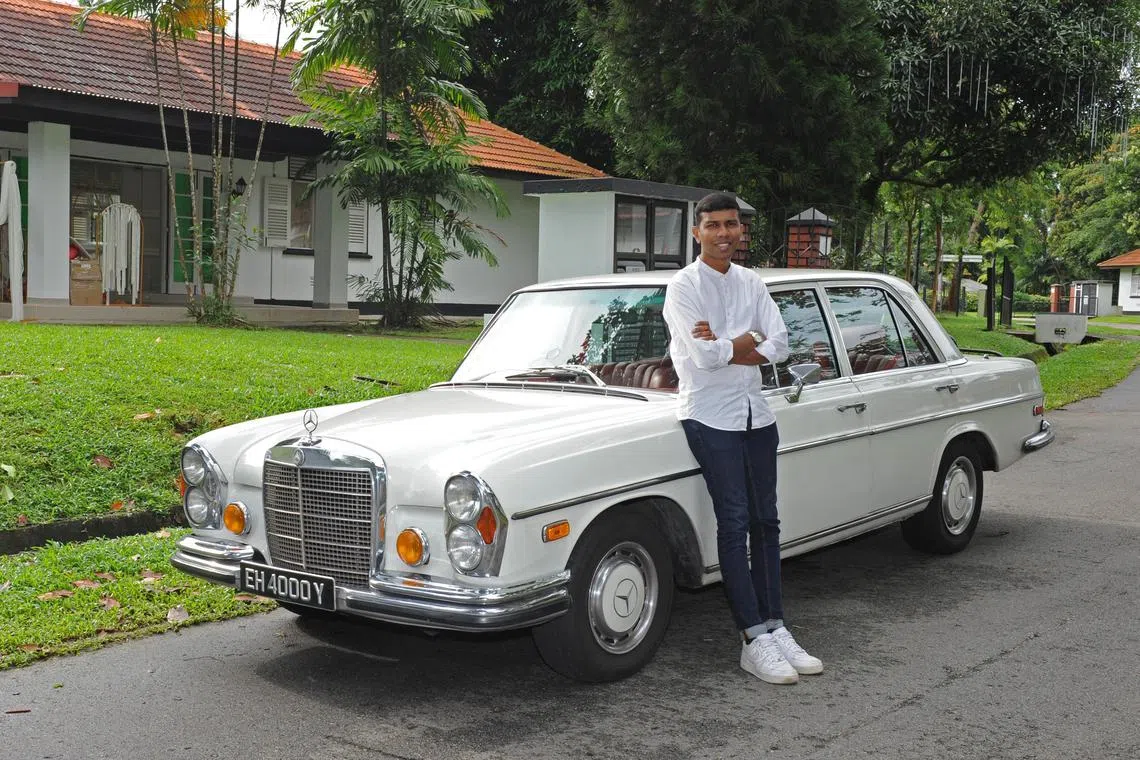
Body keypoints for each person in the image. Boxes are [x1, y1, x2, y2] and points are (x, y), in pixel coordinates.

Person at [662, 192, 823, 685]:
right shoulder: (683, 287)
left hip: (757, 414)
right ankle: (753, 639)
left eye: (731, 224)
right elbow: (704, 358)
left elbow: (782, 344)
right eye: (713, 225)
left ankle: (776, 625)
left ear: (740, 230)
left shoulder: (752, 282)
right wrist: (750, 338)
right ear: (697, 232)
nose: (724, 233)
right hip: (709, 417)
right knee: (734, 523)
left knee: (766, 522)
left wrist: (731, 343)